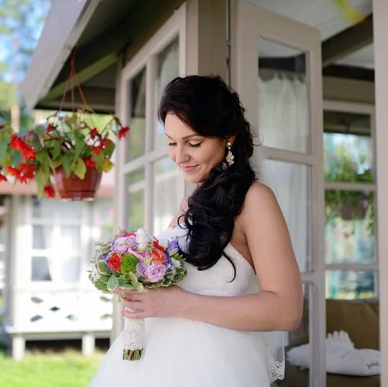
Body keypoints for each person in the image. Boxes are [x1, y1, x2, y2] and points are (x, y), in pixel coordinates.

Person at [88, 75, 302, 386]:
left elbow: (287, 310)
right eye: (172, 142)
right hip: (152, 365)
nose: (179, 156)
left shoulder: (255, 200)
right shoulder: (189, 201)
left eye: (194, 143)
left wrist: (176, 303)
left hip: (212, 366)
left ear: (227, 137)